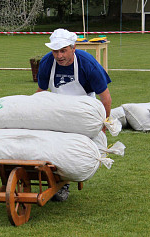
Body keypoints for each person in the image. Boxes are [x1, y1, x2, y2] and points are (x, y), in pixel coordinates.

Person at [37, 28, 112, 202]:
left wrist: (103, 126)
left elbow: (106, 98)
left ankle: (64, 183)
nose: (59, 55)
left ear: (73, 47)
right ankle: (52, 178)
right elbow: (40, 92)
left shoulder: (88, 63)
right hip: (56, 108)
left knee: (71, 148)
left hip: (83, 110)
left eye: (63, 50)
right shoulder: (47, 62)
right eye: (55, 51)